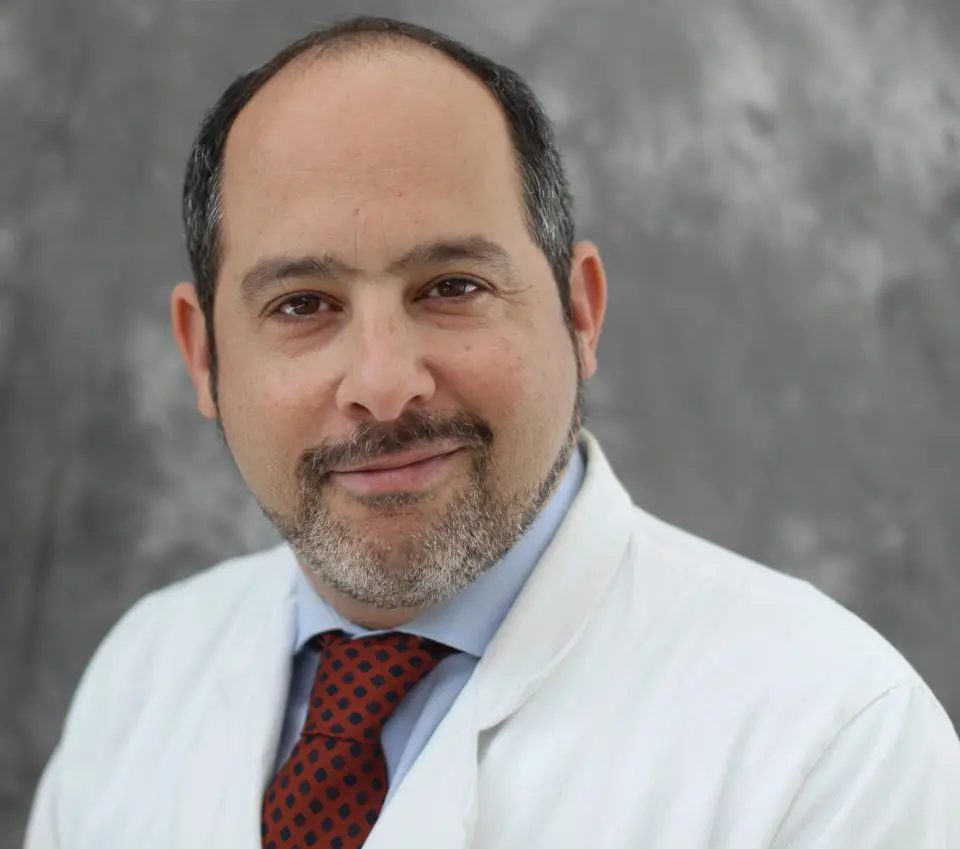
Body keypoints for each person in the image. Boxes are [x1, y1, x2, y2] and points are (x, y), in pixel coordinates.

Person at [24, 14, 960, 849]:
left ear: (580, 312)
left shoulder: (834, 741)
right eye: (302, 304)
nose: (385, 387)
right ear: (203, 356)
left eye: (453, 288)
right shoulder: (139, 677)